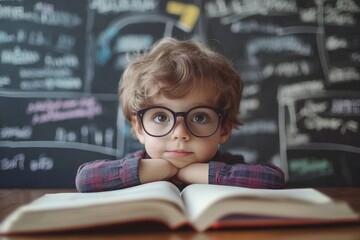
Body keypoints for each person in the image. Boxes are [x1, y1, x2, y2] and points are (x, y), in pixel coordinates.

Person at [75, 38, 284, 192]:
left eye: (200, 117)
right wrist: (158, 169)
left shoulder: (230, 165)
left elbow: (273, 179)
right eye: (160, 117)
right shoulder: (138, 164)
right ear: (139, 129)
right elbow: (85, 179)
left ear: (224, 129)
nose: (180, 134)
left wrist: (193, 173)